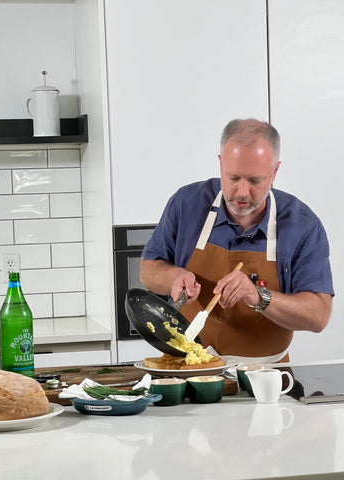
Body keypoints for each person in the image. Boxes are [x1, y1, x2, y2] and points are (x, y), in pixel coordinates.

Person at [140, 118, 334, 363]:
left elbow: (318, 315)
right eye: (233, 178)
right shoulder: (186, 204)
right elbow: (149, 269)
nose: (242, 192)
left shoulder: (302, 224)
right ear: (220, 164)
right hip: (186, 368)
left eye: (255, 181)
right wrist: (173, 278)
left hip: (266, 379)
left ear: (275, 171)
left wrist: (259, 297)